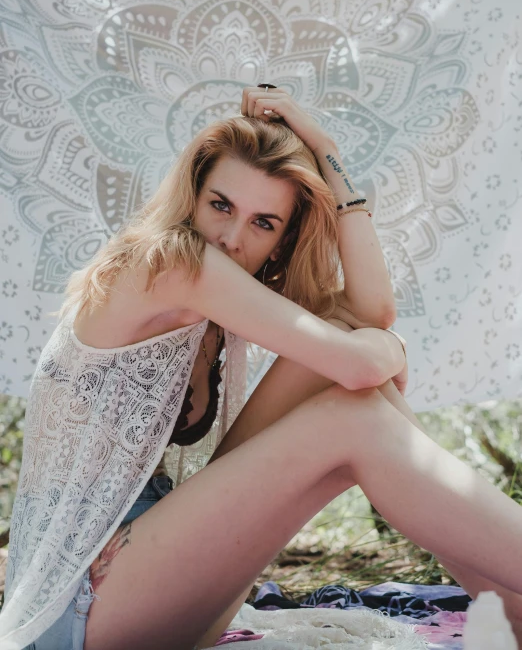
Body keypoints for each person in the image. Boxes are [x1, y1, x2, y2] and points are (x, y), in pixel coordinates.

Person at [2, 86, 521, 650]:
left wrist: (326, 148)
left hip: (154, 577)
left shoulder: (218, 308)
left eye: (263, 223)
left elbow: (370, 314)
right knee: (355, 412)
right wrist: (390, 351)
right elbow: (362, 361)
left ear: (281, 240)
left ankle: (510, 613)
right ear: (192, 197)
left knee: (354, 379)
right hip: (78, 603)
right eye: (221, 205)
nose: (231, 237)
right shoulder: (173, 261)